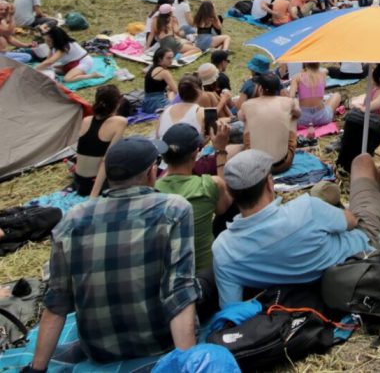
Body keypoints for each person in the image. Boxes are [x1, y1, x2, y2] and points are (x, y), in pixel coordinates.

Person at [30, 136, 198, 366]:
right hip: (159, 341)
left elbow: (57, 300)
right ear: (152, 172)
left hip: (98, 350)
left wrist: (37, 368)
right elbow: (179, 289)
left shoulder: (72, 219)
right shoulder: (173, 209)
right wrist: (187, 365)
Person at [213, 149, 380, 307]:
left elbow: (231, 309)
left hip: (310, 297)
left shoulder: (223, 250)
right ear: (269, 184)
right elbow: (352, 222)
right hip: (363, 255)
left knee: (322, 195)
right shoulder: (307, 209)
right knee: (362, 162)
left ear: (230, 192)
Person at [156, 122, 232, 275]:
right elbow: (226, 204)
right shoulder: (209, 185)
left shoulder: (153, 191)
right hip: (206, 274)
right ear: (195, 154)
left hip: (167, 277)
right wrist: (221, 151)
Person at [72, 84, 128, 198]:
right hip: (94, 183)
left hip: (78, 181)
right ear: (119, 100)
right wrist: (94, 194)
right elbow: (107, 159)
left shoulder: (86, 120)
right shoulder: (120, 121)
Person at [239, 72, 300, 174]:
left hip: (256, 166)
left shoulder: (247, 105)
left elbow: (240, 117)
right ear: (277, 88)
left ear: (260, 88)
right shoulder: (288, 102)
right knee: (293, 117)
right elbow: (298, 114)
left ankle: (253, 149)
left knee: (247, 120)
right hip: (283, 164)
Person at [290, 62, 342, 131]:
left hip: (302, 119)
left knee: (295, 102)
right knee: (337, 95)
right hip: (322, 118)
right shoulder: (322, 74)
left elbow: (290, 98)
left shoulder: (297, 77)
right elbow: (325, 70)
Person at [142, 46, 178, 113]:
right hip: (158, 103)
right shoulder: (164, 72)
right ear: (160, 58)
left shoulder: (152, 68)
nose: (171, 61)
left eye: (172, 58)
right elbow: (177, 91)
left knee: (170, 92)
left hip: (147, 103)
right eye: (168, 58)